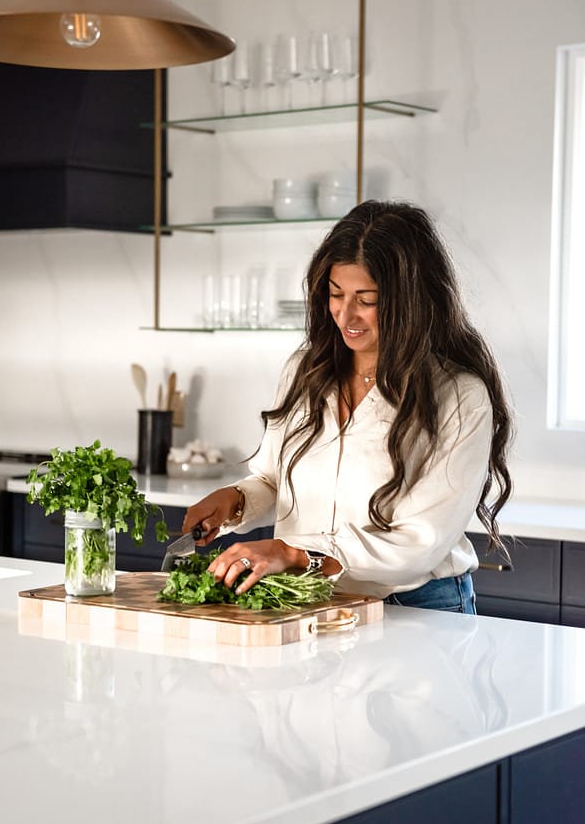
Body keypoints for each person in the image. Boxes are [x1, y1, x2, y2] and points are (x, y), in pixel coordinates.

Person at [183, 200, 514, 614]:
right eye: (336, 294)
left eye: (366, 299)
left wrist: (294, 554)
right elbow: (272, 480)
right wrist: (234, 501)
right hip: (314, 600)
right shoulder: (306, 372)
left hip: (416, 605)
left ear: (411, 301)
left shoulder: (458, 396)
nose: (345, 314)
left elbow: (419, 543)